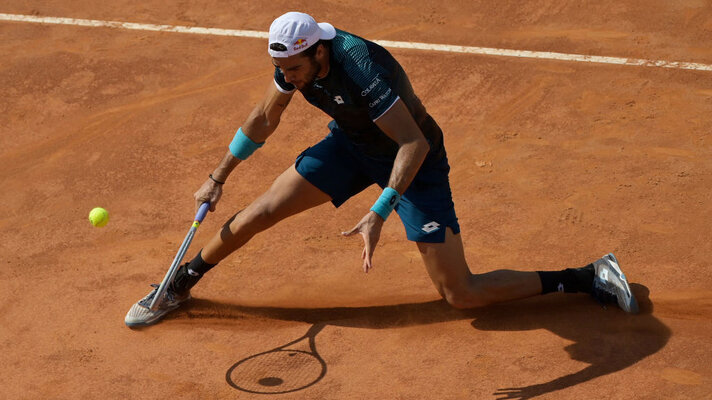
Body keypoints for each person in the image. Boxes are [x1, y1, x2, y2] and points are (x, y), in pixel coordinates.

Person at [125, 12, 638, 327]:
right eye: (283, 71)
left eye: (297, 71)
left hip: (412, 161)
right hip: (351, 146)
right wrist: (219, 175)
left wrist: (380, 208)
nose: (291, 81)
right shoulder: (293, 65)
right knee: (262, 210)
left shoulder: (362, 67)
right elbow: (264, 117)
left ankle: (588, 275)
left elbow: (411, 143)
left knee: (462, 294)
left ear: (319, 51)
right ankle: (180, 281)